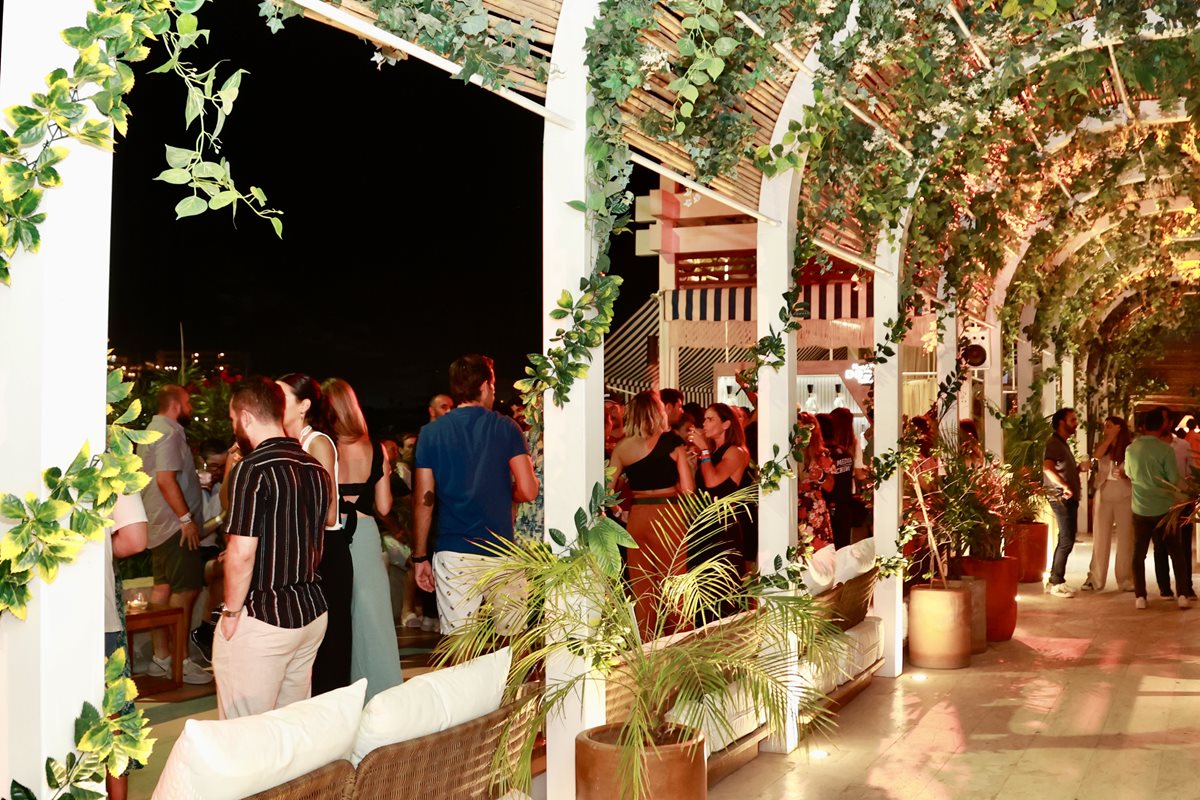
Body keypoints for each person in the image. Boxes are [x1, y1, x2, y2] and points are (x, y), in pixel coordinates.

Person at [214, 378, 331, 719]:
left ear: (246, 417)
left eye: (233, 419)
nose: (233, 427)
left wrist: (231, 613)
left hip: (264, 615)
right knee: (290, 725)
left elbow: (242, 552)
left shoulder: (252, 468)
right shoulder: (315, 467)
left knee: (244, 728)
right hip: (310, 612)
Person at [412, 355, 539, 635]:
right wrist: (508, 493)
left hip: (453, 551)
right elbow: (529, 489)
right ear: (484, 386)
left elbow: (424, 499)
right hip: (500, 549)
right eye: (493, 386)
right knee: (513, 639)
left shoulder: (430, 434)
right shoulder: (506, 427)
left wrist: (420, 556)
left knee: (459, 642)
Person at [325, 378, 404, 700]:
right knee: (374, 619)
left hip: (331, 534)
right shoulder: (377, 448)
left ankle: (340, 696)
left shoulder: (322, 446)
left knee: (336, 616)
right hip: (366, 533)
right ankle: (383, 695)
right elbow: (384, 506)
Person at [278, 373, 349, 696]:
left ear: (303, 405)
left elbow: (330, 511)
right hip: (301, 551)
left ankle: (330, 714)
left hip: (325, 551)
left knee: (328, 648)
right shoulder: (281, 444)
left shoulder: (317, 443)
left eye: (282, 397)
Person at [137, 385, 212, 684]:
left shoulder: (151, 430)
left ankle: (161, 658)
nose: (191, 407)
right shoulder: (168, 432)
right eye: (188, 402)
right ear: (177, 405)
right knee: (186, 590)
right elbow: (165, 479)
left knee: (163, 588)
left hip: (159, 525)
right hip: (175, 527)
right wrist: (186, 519)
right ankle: (180, 661)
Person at [610, 390, 695, 638]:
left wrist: (619, 512)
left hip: (637, 516)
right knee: (675, 583)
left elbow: (606, 491)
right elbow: (688, 490)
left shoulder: (622, 448)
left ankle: (646, 645)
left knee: (642, 587)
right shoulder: (672, 443)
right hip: (668, 514)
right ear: (658, 413)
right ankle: (680, 641)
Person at [103, 493, 148, 800]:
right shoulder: (112, 470)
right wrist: (102, 551)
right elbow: (135, 539)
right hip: (97, 611)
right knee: (113, 715)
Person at [1126, 407, 1184, 609]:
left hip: (1140, 507)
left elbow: (1129, 474)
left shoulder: (1131, 449)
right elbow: (1173, 479)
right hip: (1164, 508)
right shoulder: (1165, 450)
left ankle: (1140, 596)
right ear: (1161, 426)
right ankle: (1182, 594)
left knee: (1139, 553)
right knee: (1175, 552)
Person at [690, 403, 751, 584]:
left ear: (726, 424)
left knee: (722, 584)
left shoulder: (735, 451)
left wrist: (704, 451)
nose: (704, 424)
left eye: (710, 419)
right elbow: (696, 487)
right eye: (704, 419)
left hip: (722, 524)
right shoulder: (712, 452)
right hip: (702, 522)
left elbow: (712, 481)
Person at [1082, 416, 1134, 593]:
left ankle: (1125, 579)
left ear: (1119, 428)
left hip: (1125, 492)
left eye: (1109, 426)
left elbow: (1134, 470)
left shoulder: (1130, 447)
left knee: (1126, 538)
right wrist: (1110, 437)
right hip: (1104, 492)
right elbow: (1097, 455)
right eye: (1105, 426)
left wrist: (1126, 475)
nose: (1105, 429)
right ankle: (1095, 579)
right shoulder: (1103, 445)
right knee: (1100, 538)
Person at [1043, 407, 1088, 598]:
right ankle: (1056, 582)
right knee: (1067, 539)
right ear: (1062, 422)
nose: (1076, 423)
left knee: (1066, 538)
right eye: (1072, 420)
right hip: (1061, 498)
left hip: (1066, 497)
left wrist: (1077, 469)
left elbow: (1060, 468)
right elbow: (1047, 468)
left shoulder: (1062, 443)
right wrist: (1065, 486)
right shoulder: (1054, 443)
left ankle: (1056, 579)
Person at [1160, 407, 1196, 601]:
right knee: (1161, 546)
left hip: (1182, 500)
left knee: (1184, 546)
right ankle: (1165, 587)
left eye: (1165, 420)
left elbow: (1191, 470)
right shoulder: (1152, 446)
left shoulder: (1183, 445)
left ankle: (1186, 586)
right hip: (1159, 501)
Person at [797, 412, 834, 546]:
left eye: (802, 427)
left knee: (816, 549)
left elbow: (830, 486)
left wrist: (820, 477)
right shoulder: (789, 453)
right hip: (792, 505)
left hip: (814, 508)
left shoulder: (821, 454)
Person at [818, 414, 854, 549]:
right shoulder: (845, 453)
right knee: (843, 549)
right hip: (845, 506)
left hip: (829, 508)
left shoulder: (824, 455)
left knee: (828, 551)